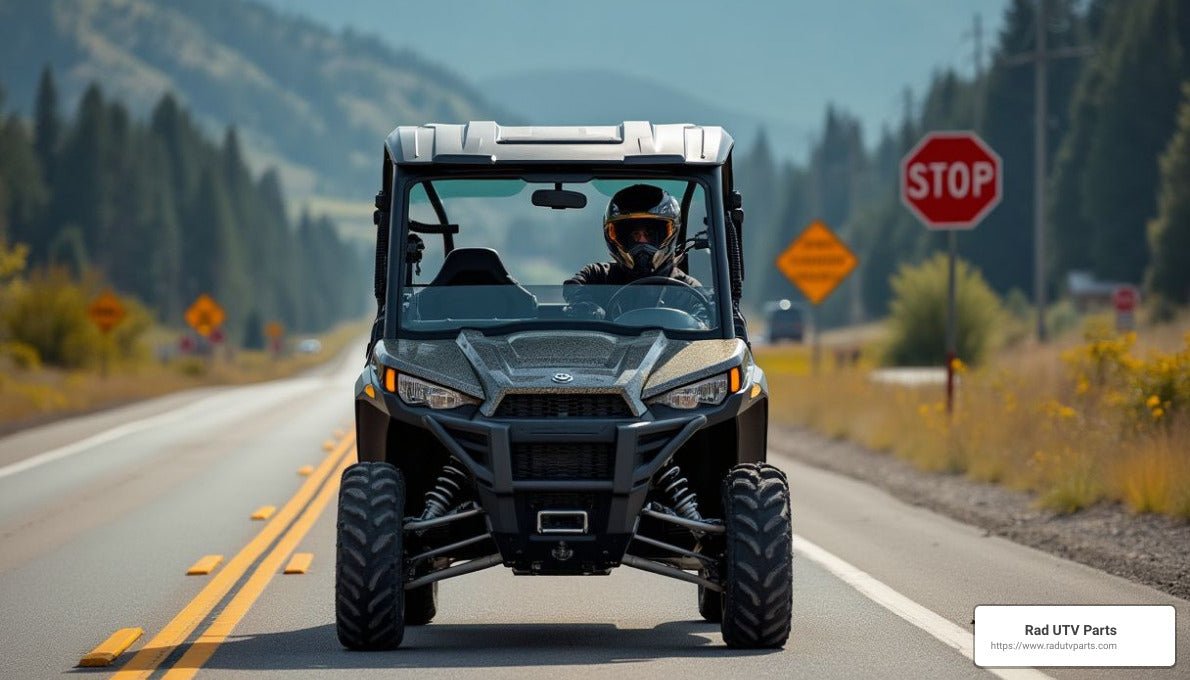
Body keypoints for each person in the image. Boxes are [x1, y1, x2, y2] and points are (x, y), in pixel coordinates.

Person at [563, 184, 701, 321]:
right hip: (604, 344)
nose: (642, 242)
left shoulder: (688, 287)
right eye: (635, 235)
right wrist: (585, 306)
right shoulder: (598, 274)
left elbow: (706, 313)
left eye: (649, 234)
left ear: (670, 233)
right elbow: (573, 286)